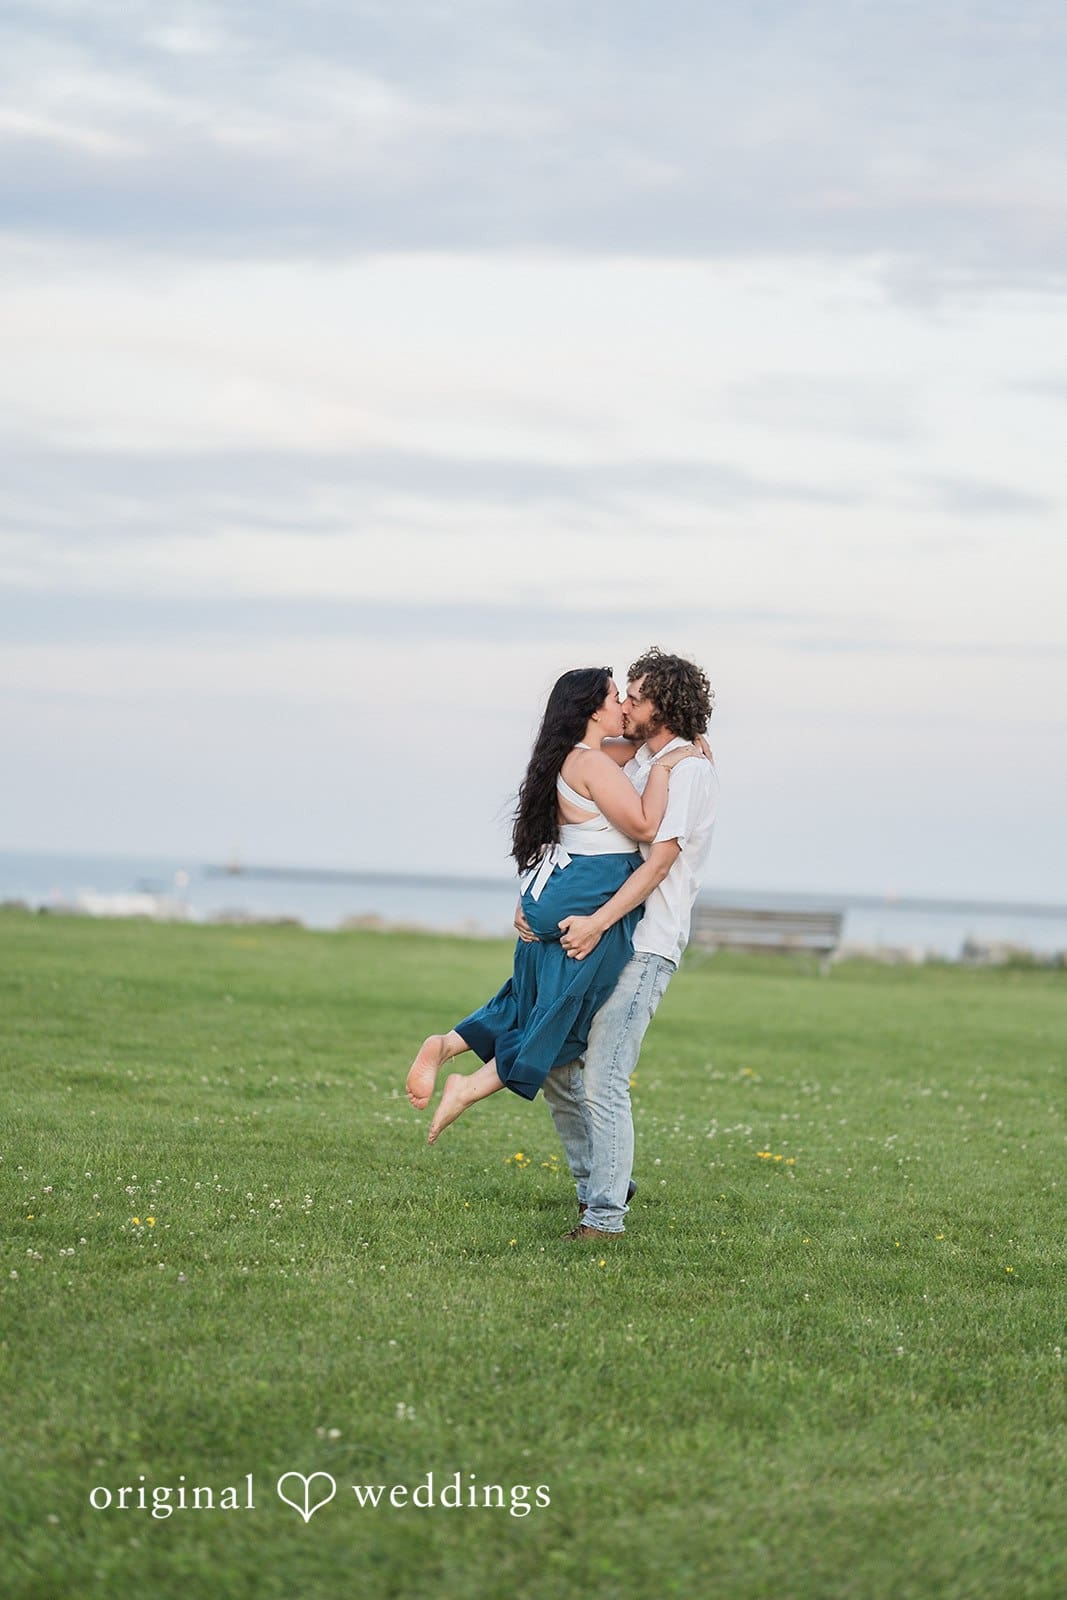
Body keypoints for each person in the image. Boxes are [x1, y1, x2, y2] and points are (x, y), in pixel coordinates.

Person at [404, 666, 702, 1144]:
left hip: (554, 894)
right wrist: (671, 765)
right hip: (584, 904)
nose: (622, 706)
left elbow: (646, 751)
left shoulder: (581, 757)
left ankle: (448, 1045)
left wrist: (677, 746)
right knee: (561, 1019)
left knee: (525, 1002)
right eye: (613, 697)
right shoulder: (594, 763)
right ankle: (468, 1087)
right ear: (592, 710)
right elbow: (647, 827)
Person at [532, 646, 719, 1242]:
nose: (625, 704)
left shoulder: (687, 771)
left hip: (646, 944)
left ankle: (604, 1217)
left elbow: (657, 863)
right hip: (614, 937)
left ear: (661, 703)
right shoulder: (644, 760)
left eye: (635, 696)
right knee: (560, 1065)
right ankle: (605, 1179)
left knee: (603, 1076)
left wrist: (592, 922)